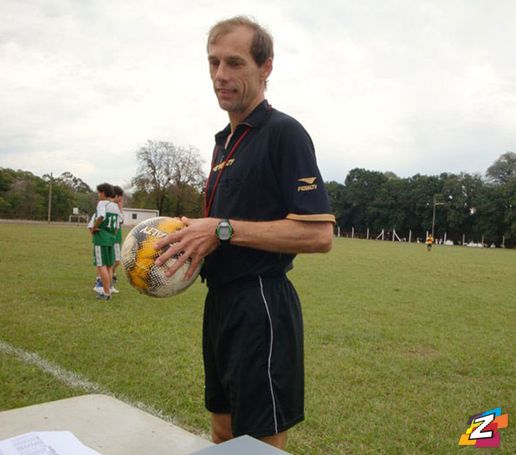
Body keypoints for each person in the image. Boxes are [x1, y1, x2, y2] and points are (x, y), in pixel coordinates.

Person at [155, 16, 334, 450]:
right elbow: (222, 229)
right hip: (220, 303)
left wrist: (222, 228)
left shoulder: (283, 133)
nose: (221, 76)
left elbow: (319, 235)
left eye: (234, 63)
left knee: (257, 442)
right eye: (213, 63)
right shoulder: (225, 143)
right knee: (222, 431)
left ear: (265, 67)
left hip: (261, 305)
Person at [90, 183, 121, 301]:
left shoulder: (102, 203)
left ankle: (106, 293)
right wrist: (112, 234)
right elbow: (117, 226)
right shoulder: (115, 206)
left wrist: (93, 228)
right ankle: (108, 291)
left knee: (101, 265)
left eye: (99, 192)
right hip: (112, 238)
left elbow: (101, 216)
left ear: (103, 193)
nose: (98, 195)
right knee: (109, 266)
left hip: (101, 238)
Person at [111, 185, 125, 292]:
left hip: (116, 237)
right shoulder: (113, 207)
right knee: (115, 260)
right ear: (117, 196)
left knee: (115, 261)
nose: (122, 199)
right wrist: (120, 208)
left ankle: (112, 275)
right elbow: (121, 220)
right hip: (113, 238)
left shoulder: (113, 206)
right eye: (121, 197)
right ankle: (105, 282)